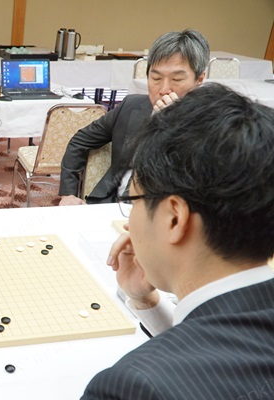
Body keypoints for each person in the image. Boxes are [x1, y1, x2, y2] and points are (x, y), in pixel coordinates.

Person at [81, 83, 274, 399]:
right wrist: (147, 302)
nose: (130, 222)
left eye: (132, 201)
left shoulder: (131, 387)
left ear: (174, 218)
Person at [59, 29, 210, 205]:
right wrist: (68, 194)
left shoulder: (209, 125)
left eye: (176, 80)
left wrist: (167, 127)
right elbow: (79, 141)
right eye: (156, 78)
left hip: (162, 213)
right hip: (109, 205)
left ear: (199, 80)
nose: (163, 89)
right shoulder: (131, 106)